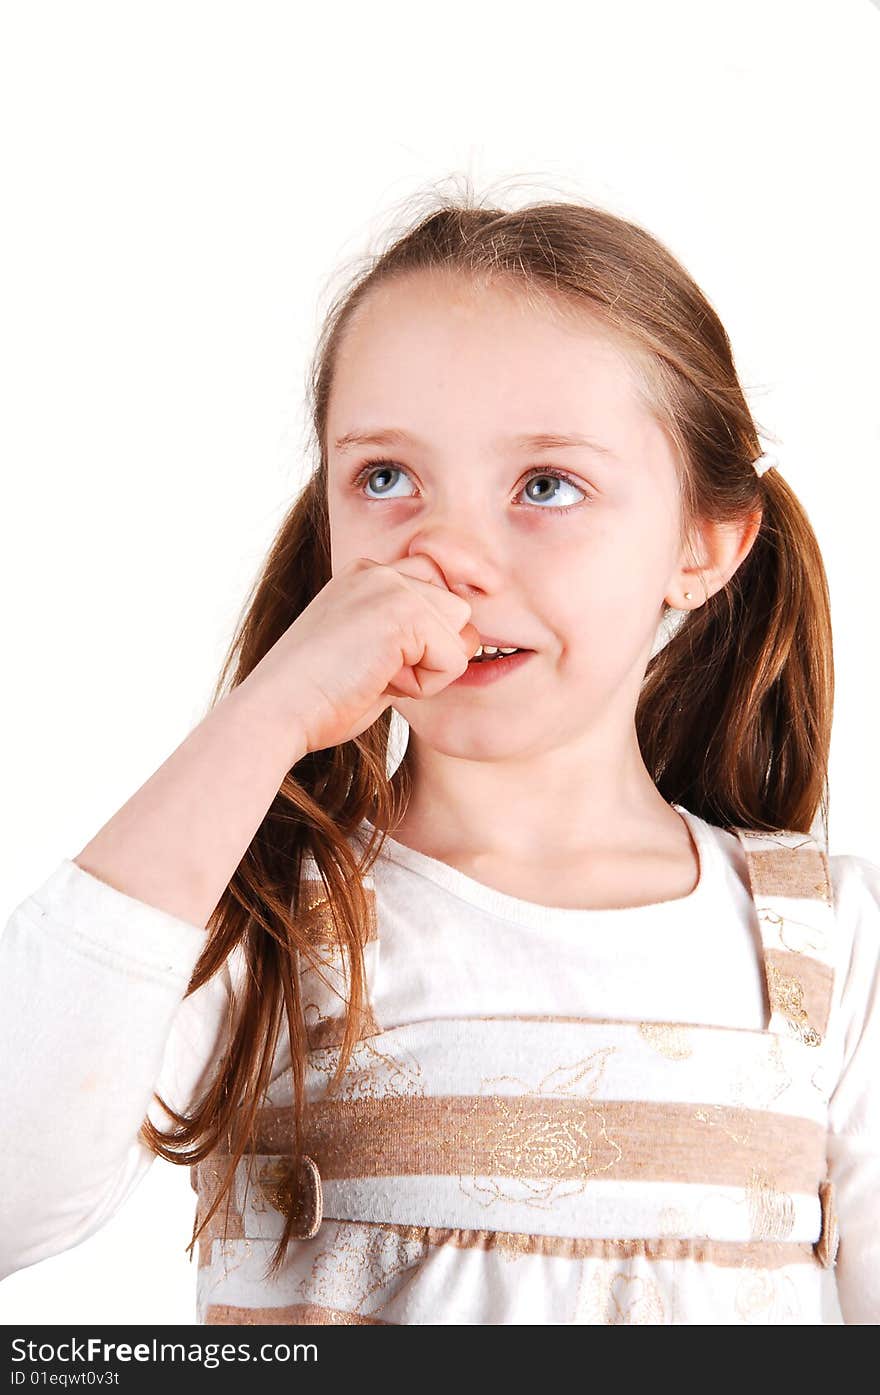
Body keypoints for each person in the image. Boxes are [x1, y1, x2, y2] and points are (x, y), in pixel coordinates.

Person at [1, 195, 878, 1326]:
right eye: (383, 480)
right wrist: (261, 720)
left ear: (703, 548)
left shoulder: (834, 948)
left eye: (546, 487)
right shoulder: (255, 907)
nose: (449, 555)